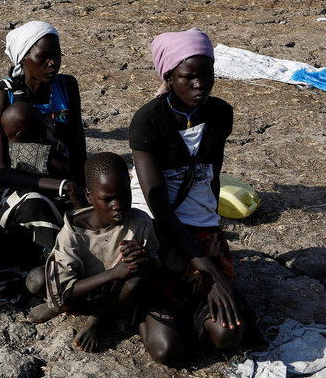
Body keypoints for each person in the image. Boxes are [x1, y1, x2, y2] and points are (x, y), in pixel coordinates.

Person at [130, 28, 244, 366]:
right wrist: (207, 266)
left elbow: (212, 179)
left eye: (206, 74)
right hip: (161, 230)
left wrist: (215, 238)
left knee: (228, 336)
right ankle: (140, 312)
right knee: (169, 351)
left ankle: (196, 306)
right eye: (188, 76)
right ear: (169, 76)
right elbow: (159, 207)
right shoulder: (148, 121)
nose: (200, 84)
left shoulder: (220, 114)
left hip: (201, 231)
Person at [0, 21, 87, 266]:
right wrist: (61, 186)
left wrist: (79, 186)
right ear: (23, 59)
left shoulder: (67, 87)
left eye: (57, 55)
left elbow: (78, 148)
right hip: (12, 184)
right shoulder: (4, 95)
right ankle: (58, 274)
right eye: (44, 56)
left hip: (63, 174)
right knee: (37, 205)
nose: (53, 62)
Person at [27, 153, 158, 351]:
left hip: (116, 296)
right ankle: (59, 307)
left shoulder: (140, 222)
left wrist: (143, 256)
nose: (118, 206)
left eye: (124, 196)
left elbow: (156, 264)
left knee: (142, 270)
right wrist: (113, 273)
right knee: (36, 280)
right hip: (82, 290)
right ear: (89, 196)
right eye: (108, 199)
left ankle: (98, 319)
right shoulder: (72, 233)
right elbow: (65, 291)